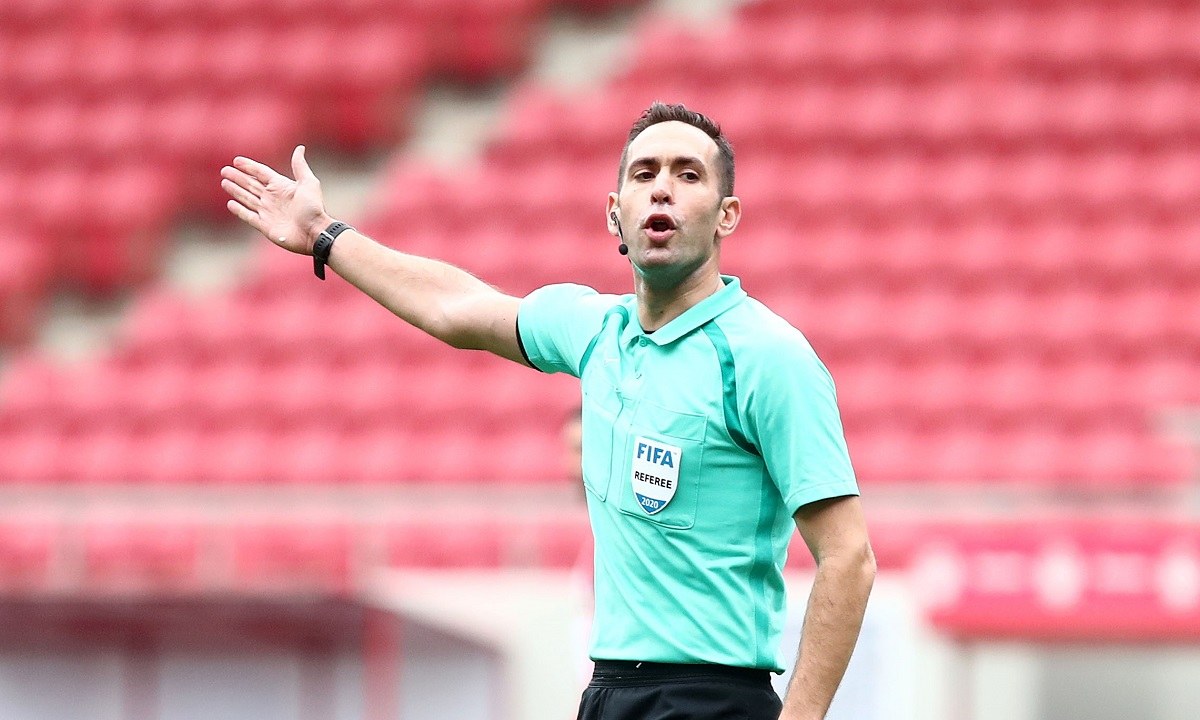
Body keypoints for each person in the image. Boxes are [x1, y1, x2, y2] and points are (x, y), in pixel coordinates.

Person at [221, 102, 876, 720]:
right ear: (614, 214)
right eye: (644, 174)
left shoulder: (768, 357)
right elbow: (455, 307)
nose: (662, 189)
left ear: (726, 215)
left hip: (714, 696)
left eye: (688, 174)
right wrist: (325, 235)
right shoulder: (594, 329)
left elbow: (848, 557)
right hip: (609, 693)